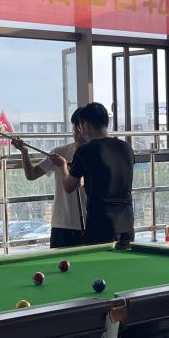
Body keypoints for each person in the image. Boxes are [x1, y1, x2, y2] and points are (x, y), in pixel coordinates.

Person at [52, 102, 134, 245]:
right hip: (127, 221)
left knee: (97, 258)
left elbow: (69, 186)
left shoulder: (86, 150)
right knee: (124, 257)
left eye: (80, 126)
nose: (80, 130)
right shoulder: (126, 148)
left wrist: (63, 166)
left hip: (101, 224)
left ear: (86, 124)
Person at [13, 109, 87, 249]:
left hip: (87, 223)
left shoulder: (95, 153)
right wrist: (24, 152)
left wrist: (63, 166)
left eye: (80, 130)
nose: (77, 135)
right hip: (61, 223)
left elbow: (79, 183)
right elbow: (31, 174)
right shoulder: (59, 152)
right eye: (75, 130)